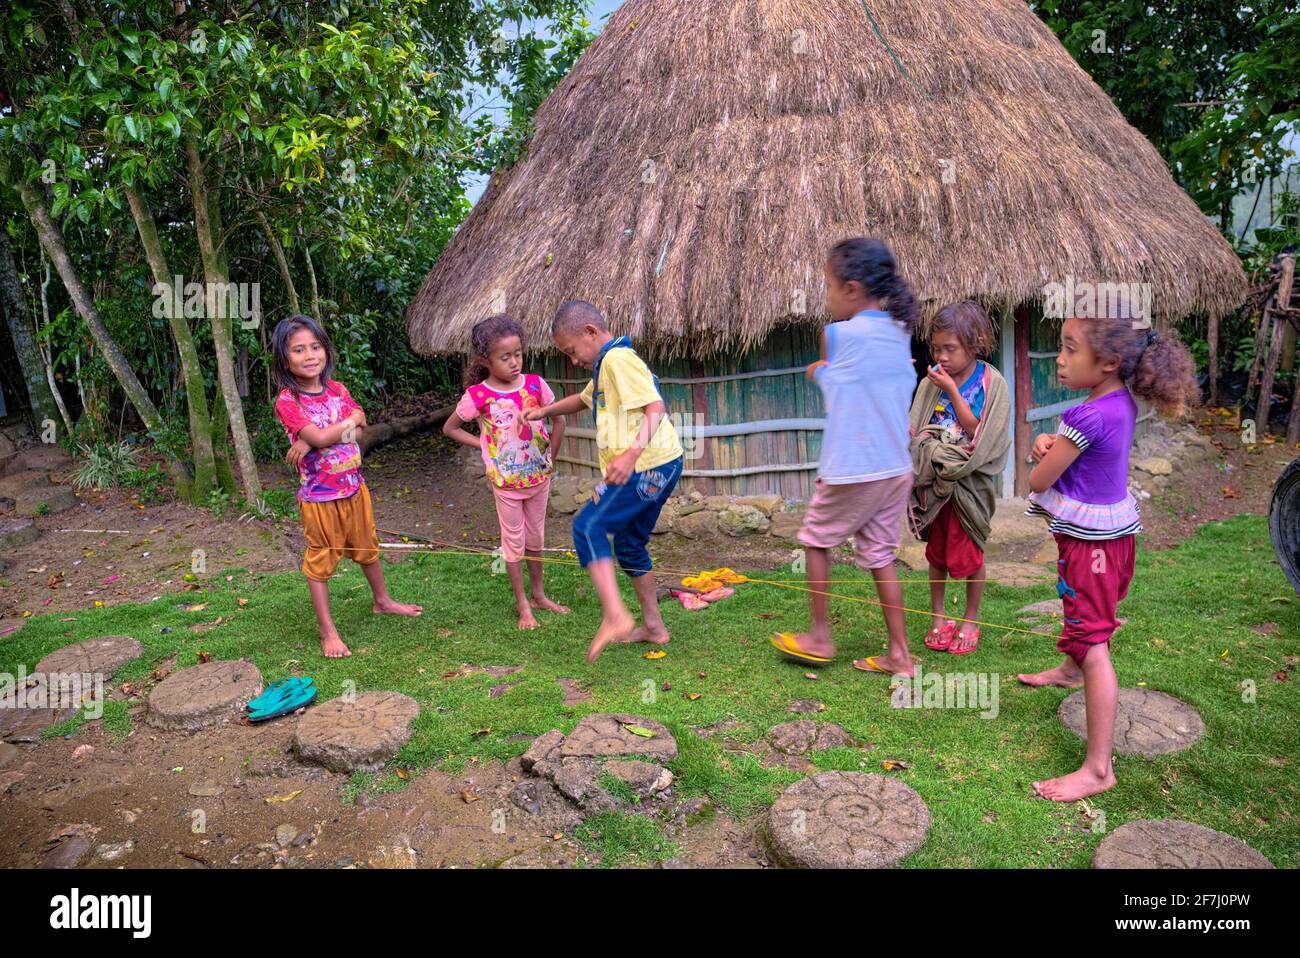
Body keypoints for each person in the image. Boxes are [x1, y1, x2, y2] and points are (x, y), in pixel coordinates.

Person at [1018, 303, 1197, 801]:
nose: (1058, 359)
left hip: (1089, 549)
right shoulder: (1120, 405)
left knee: (1096, 642)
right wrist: (1058, 443)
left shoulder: (1084, 415)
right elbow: (1087, 457)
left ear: (1109, 362)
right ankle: (1071, 669)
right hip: (1116, 543)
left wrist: (1040, 444)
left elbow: (1038, 479)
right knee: (1087, 617)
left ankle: (1098, 768)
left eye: (1070, 349)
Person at [771, 237, 918, 676]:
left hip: (854, 467)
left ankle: (819, 635)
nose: (827, 296)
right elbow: (872, 384)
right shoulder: (901, 332)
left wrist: (817, 370)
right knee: (879, 555)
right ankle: (900, 655)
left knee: (817, 541)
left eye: (830, 286)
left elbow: (832, 377)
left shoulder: (837, 335)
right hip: (895, 467)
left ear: (852, 289)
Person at [524, 300, 683, 662]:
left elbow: (656, 408)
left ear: (591, 332)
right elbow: (581, 401)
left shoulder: (618, 360)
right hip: (659, 464)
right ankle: (654, 628)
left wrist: (629, 455)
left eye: (572, 350)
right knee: (628, 546)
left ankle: (615, 615)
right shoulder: (605, 367)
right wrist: (543, 412)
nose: (573, 359)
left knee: (588, 527)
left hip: (648, 465)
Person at [272, 314, 422, 659]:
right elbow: (334, 432)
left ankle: (382, 601)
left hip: (355, 488)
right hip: (320, 498)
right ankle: (328, 632)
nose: (310, 355)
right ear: (285, 359)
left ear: (326, 350)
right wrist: (327, 435)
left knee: (367, 547)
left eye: (315, 346)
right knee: (321, 561)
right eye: (298, 350)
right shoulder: (288, 402)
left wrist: (315, 441)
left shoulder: (338, 390)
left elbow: (360, 425)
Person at [443, 315, 570, 629]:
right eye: (505, 357)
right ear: (486, 361)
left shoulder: (536, 385)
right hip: (507, 483)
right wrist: (485, 446)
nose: (514, 362)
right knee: (513, 543)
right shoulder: (478, 396)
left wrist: (550, 457)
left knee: (536, 536)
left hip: (538, 478)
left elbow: (559, 420)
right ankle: (523, 604)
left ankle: (539, 594)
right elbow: (451, 428)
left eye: (518, 354)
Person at [908, 301, 1010, 656]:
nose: (942, 356)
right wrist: (921, 443)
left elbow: (980, 434)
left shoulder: (990, 384)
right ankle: (938, 615)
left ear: (975, 343)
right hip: (936, 482)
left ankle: (970, 618)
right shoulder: (929, 383)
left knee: (971, 554)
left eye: (950, 349)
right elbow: (919, 427)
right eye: (936, 349)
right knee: (937, 554)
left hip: (970, 484)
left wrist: (951, 390)